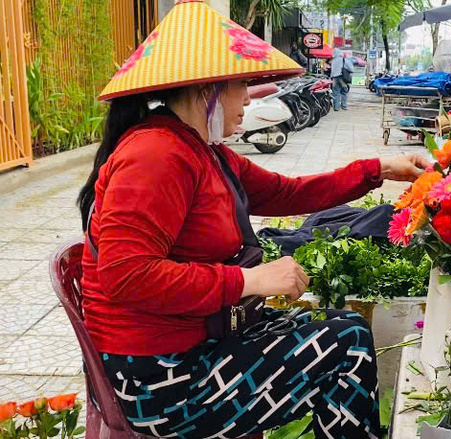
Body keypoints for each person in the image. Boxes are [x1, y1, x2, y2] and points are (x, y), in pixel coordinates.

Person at [77, 2, 431, 438]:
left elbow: (288, 193)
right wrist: (250, 281)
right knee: (346, 347)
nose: (249, 96)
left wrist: (378, 169)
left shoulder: (204, 152)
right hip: (161, 379)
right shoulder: (156, 155)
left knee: (345, 327)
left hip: (199, 345)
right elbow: (125, 275)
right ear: (206, 87)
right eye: (242, 83)